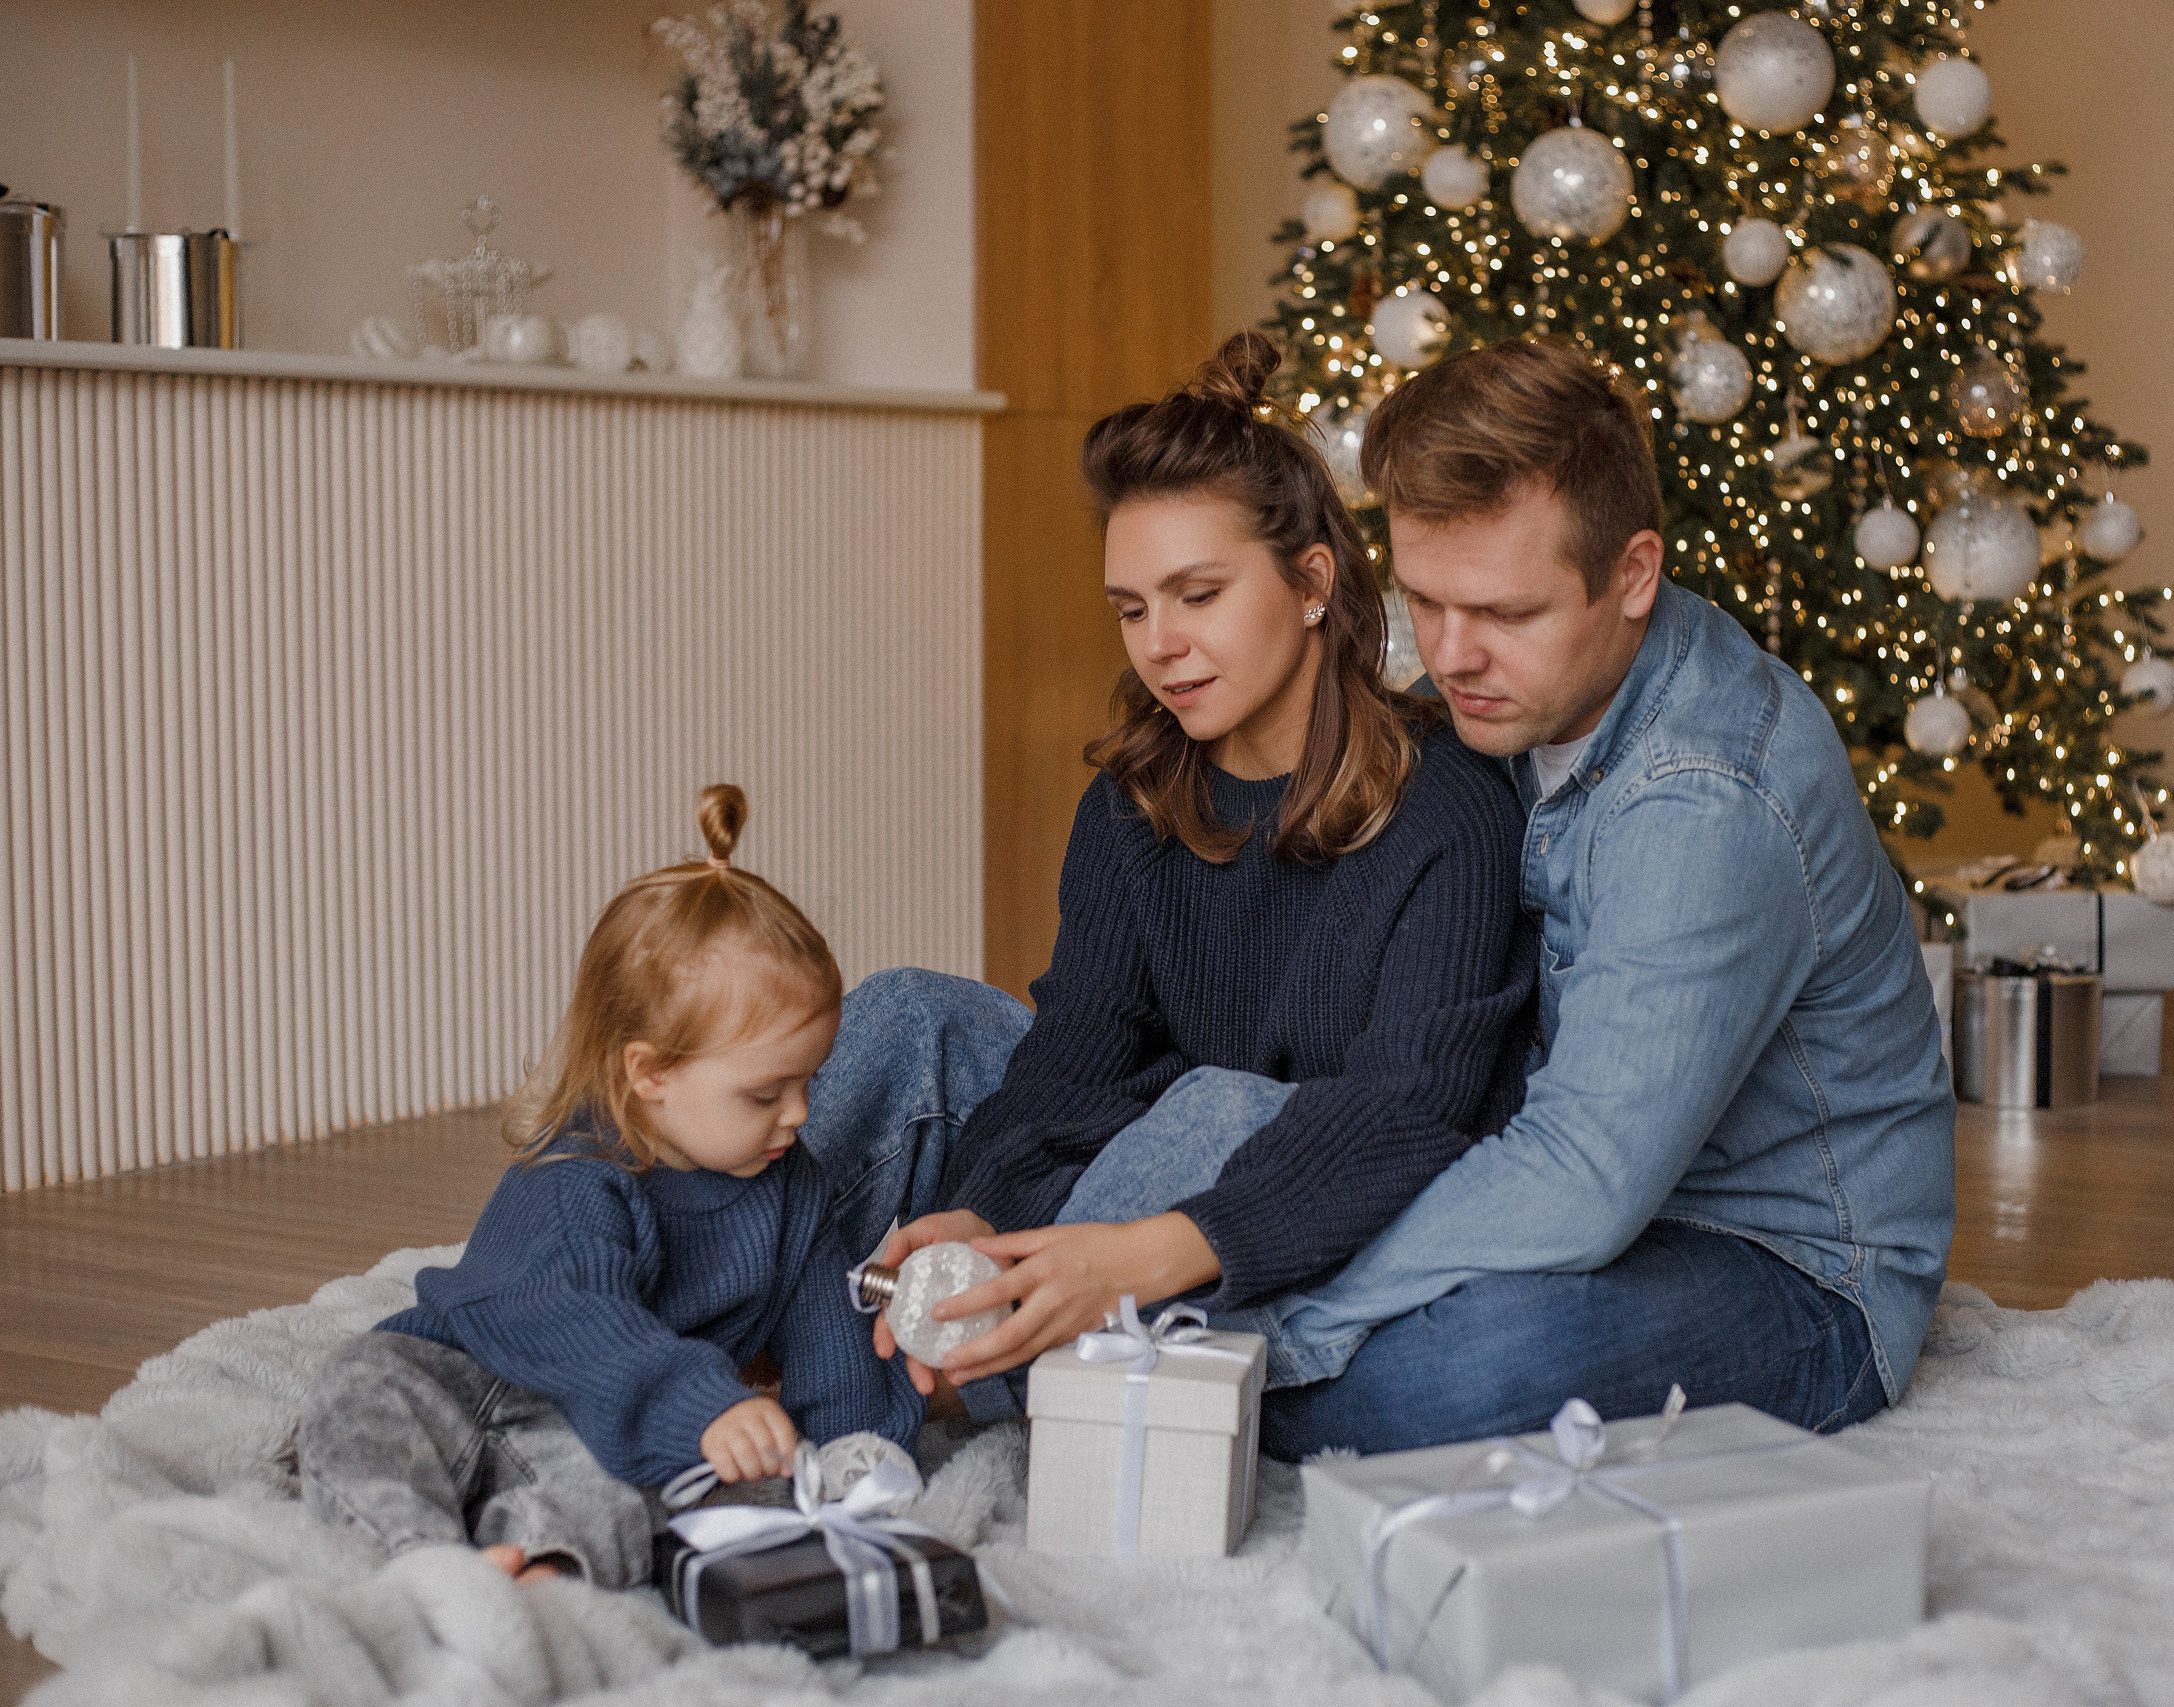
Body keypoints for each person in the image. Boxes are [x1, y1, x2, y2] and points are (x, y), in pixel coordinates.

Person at [792, 331, 1537, 1426]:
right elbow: (1078, 1051)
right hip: (1143, 1164)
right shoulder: (1133, 801)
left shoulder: (1447, 804)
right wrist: (979, 1207)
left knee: (1218, 1106)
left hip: (1292, 1211)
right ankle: (664, 1269)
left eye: (1197, 595)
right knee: (913, 1013)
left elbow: (1409, 1114)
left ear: (1312, 583)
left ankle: (924, 1373)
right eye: (1132, 609)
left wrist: (1098, 1256)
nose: (1161, 646)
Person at [1239, 338, 1958, 1456]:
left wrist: (1266, 1314)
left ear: (1632, 576)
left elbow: (1582, 1183)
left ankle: (1218, 1376)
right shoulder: (1497, 706)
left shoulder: (1707, 797)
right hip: (1572, 1179)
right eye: (1426, 602)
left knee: (1460, 1373)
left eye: (1507, 614)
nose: (1450, 655)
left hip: (1784, 1263)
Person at [295, 786, 877, 1587]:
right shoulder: (575, 1178)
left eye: (810, 1081)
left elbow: (830, 1344)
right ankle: (413, 1562)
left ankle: (539, 1568)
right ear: (651, 1073)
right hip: (477, 1379)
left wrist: (844, 1465)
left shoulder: (790, 1186)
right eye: (766, 1093)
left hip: (605, 1432)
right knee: (356, 1388)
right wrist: (702, 1402)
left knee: (726, 1485)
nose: (800, 1113)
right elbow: (582, 1323)